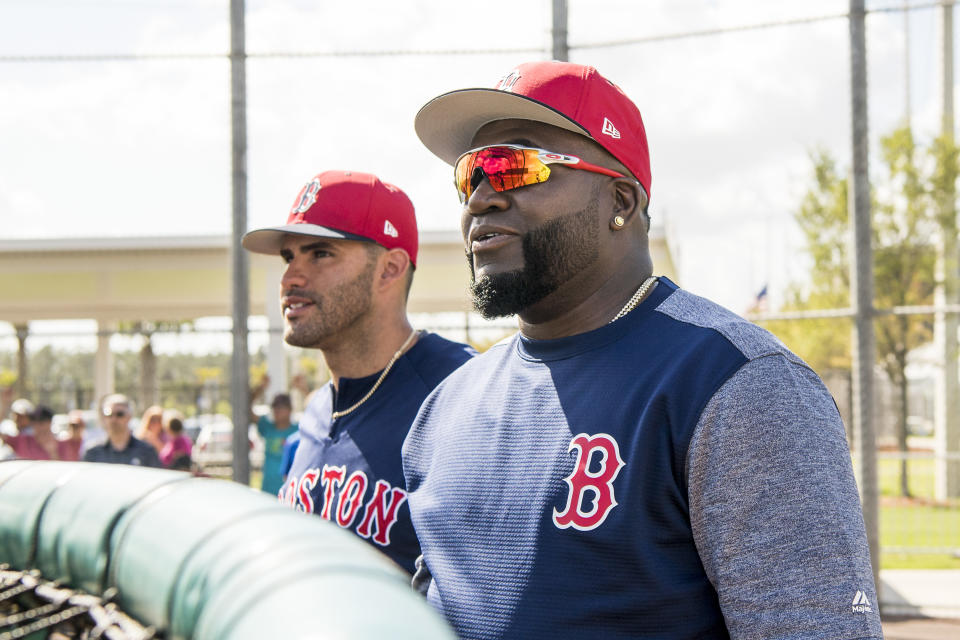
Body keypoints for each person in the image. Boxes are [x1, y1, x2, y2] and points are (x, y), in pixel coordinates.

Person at [402, 61, 883, 639]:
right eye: (470, 175)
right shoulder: (446, 407)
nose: (480, 198)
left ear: (621, 201)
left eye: (513, 167)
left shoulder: (735, 383)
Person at [242, 170, 474, 575]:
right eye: (288, 256)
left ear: (389, 269)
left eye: (320, 254)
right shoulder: (317, 408)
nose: (290, 278)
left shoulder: (463, 390)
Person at [83, 394, 162, 468]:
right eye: (109, 414)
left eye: (119, 414)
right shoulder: (93, 452)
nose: (114, 419)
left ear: (129, 416)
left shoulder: (146, 451)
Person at [252, 388, 298, 496]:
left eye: (281, 407)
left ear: (290, 409)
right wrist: (261, 387)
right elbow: (247, 408)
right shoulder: (267, 427)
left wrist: (303, 389)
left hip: (289, 492)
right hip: (268, 490)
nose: (277, 410)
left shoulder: (297, 431)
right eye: (275, 407)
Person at [0, 403, 81, 461]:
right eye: (34, 422)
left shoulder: (62, 444)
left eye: (41, 422)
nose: (38, 427)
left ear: (49, 423)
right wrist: (4, 403)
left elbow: (66, 471)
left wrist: (53, 453)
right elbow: (3, 436)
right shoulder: (24, 440)